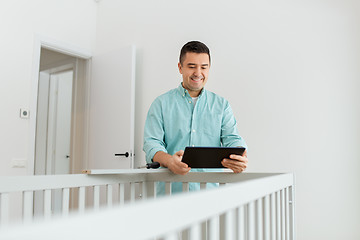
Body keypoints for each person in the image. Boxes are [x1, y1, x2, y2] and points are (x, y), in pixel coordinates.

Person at [143, 41, 248, 194]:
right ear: (180, 67)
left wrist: (240, 155)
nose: (198, 73)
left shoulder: (222, 105)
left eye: (204, 67)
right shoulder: (161, 104)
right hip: (170, 195)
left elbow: (232, 138)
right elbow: (152, 144)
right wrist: (170, 161)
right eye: (192, 66)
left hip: (209, 196)